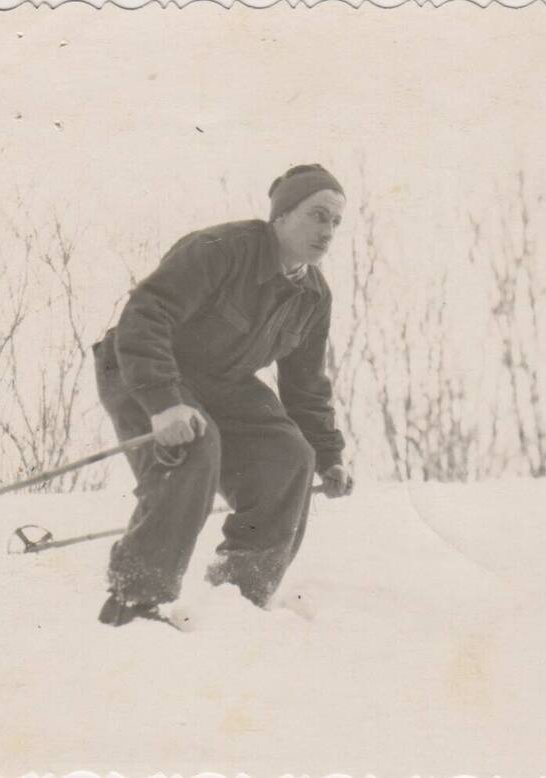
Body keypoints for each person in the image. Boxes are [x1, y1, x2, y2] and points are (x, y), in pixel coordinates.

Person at [93, 163, 355, 627]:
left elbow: (306, 386)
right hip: (142, 367)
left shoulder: (313, 295)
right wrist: (162, 401)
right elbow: (146, 313)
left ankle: (236, 601)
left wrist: (329, 454)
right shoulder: (221, 249)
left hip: (220, 383)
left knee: (292, 455)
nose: (328, 231)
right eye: (317, 215)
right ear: (281, 216)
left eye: (336, 221)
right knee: (194, 445)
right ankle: (133, 601)